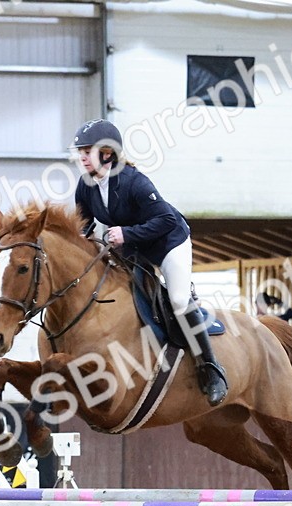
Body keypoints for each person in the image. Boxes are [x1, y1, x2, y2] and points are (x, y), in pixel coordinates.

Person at [70, 119, 228, 406]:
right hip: (131, 247)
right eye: (80, 150)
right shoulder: (86, 186)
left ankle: (212, 368)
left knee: (179, 299)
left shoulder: (134, 182)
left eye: (87, 150)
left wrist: (127, 233)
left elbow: (166, 219)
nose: (81, 156)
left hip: (168, 242)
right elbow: (84, 224)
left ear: (107, 153)